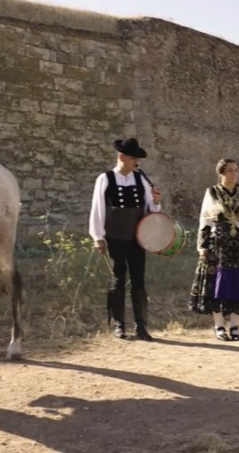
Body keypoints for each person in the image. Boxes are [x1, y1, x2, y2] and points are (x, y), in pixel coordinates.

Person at [88, 137, 162, 341]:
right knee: (118, 280)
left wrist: (156, 201)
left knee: (139, 280)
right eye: (133, 158)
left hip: (137, 238)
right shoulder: (105, 178)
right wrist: (98, 237)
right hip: (114, 237)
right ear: (121, 157)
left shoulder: (141, 180)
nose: (136, 163)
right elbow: (98, 209)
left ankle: (141, 325)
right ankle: (119, 324)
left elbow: (151, 210)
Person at [188, 158, 239, 341]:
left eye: (236, 170)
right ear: (221, 172)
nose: (234, 173)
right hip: (218, 244)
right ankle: (219, 325)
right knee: (217, 284)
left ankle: (235, 325)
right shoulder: (212, 193)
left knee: (238, 284)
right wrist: (202, 246)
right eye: (230, 170)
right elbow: (205, 220)